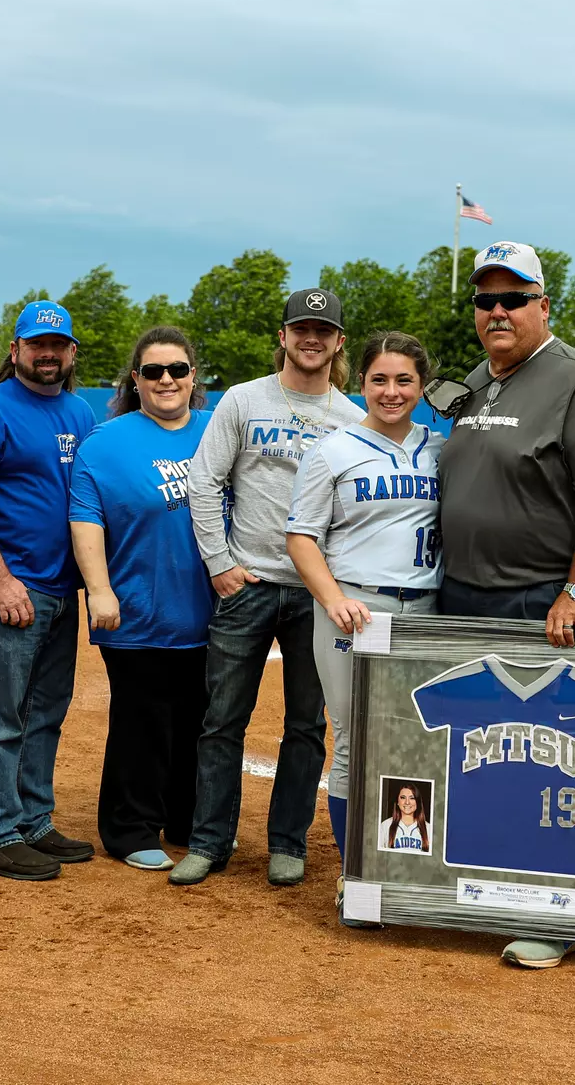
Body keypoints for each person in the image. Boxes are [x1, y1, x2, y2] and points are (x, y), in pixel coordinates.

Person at [436, 241, 575, 971]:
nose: (497, 311)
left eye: (513, 298)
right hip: (469, 595)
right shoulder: (471, 384)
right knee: (495, 755)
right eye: (485, 300)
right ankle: (497, 886)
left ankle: (563, 908)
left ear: (543, 305)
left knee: (565, 756)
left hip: (548, 598)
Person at [169, 288, 364, 889]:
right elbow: (204, 483)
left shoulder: (353, 419)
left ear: (337, 342)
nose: (312, 339)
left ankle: (287, 843)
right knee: (222, 718)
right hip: (246, 582)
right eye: (301, 328)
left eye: (323, 330)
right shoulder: (244, 400)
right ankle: (208, 841)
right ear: (283, 336)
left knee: (307, 723)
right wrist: (219, 563)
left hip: (315, 594)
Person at [0, 300, 97, 881]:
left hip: (61, 588)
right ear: (16, 351)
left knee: (44, 712)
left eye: (58, 345)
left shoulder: (81, 413)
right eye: (37, 344)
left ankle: (33, 820)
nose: (48, 354)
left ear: (71, 352)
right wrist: (0, 579)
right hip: (8, 588)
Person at [285, 331, 443, 867]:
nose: (391, 391)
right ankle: (358, 873)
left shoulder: (441, 450)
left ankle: (405, 864)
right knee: (355, 738)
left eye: (404, 380)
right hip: (355, 608)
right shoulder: (333, 449)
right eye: (379, 380)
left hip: (426, 608)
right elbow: (302, 536)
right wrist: (332, 599)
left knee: (422, 738)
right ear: (361, 383)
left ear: (422, 386)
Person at [68, 326, 213, 872]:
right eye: (153, 371)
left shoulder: (215, 431)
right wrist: (100, 591)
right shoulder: (106, 442)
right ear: (136, 379)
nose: (166, 380)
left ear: (193, 376)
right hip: (137, 608)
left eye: (177, 369)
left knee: (199, 719)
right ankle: (129, 828)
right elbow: (86, 522)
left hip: (210, 610)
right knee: (143, 720)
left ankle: (187, 820)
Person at [378, 783, 431, 854]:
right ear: (397, 802)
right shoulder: (385, 825)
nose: (407, 802)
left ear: (417, 802)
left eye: (412, 798)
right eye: (403, 797)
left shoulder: (428, 828)